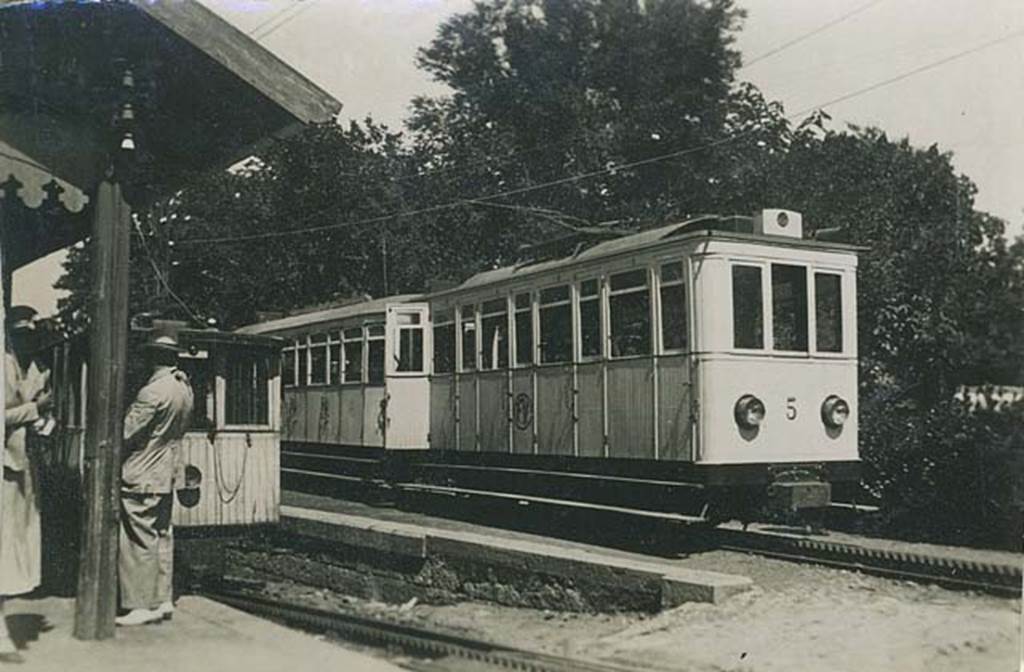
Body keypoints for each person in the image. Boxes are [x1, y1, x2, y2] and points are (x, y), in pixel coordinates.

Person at [117, 331, 193, 627]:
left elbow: (125, 432)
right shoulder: (184, 387)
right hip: (168, 473)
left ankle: (140, 604)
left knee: (139, 539)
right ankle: (162, 599)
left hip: (143, 473)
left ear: (153, 357)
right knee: (162, 535)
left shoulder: (152, 392)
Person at [1, 306, 52, 661]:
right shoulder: (3, 366)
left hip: (21, 468)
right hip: (4, 469)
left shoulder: (34, 368)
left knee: (13, 547)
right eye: (21, 335)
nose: (27, 342)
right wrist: (35, 409)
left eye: (32, 336)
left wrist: (44, 418)